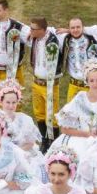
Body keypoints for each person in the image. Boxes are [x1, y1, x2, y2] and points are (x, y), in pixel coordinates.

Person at [22, 17, 63, 147]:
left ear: (42, 30)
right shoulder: (36, 38)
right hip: (36, 82)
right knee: (39, 112)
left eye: (33, 29)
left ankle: (53, 142)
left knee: (52, 114)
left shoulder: (53, 41)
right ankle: (44, 141)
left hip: (50, 84)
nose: (30, 31)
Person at [0, 78, 45, 180]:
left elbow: (30, 143)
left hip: (23, 154)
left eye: (14, 102)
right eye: (8, 102)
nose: (11, 106)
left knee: (31, 173)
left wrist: (17, 153)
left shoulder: (25, 119)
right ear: (1, 101)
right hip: (2, 157)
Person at [58, 16, 97, 105]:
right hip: (74, 85)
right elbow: (46, 30)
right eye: (72, 28)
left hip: (90, 86)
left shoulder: (93, 39)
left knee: (91, 111)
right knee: (71, 111)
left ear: (83, 28)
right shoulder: (65, 39)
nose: (75, 30)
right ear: (69, 29)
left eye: (78, 27)